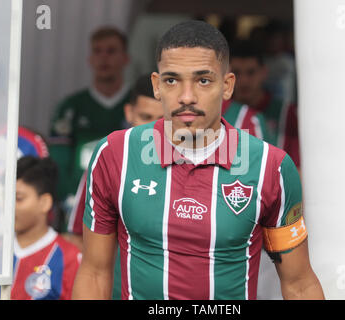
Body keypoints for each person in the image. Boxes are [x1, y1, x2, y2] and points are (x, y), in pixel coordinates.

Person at [72, 20, 323, 300]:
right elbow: (94, 273)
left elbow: (299, 283)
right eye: (172, 80)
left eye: (203, 80)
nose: (187, 97)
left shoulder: (271, 167)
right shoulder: (114, 154)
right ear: (156, 86)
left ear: (227, 86)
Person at [64, 74, 164, 300]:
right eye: (145, 116)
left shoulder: (192, 167)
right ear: (129, 113)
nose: (152, 127)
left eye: (162, 119)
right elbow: (77, 239)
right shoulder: (106, 162)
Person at [49, 26, 131, 223]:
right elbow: (57, 161)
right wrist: (70, 199)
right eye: (97, 51)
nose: (104, 58)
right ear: (89, 58)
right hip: (77, 207)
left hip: (127, 205)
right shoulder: (70, 107)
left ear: (125, 58)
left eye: (111, 51)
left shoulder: (139, 105)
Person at [0, 156, 81, 300]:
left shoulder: (70, 259)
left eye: (18, 198)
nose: (9, 206)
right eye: (6, 198)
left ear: (45, 203)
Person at [227, 39, 285, 147]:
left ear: (264, 72)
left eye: (251, 72)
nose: (244, 80)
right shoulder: (218, 114)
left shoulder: (285, 114)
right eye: (236, 73)